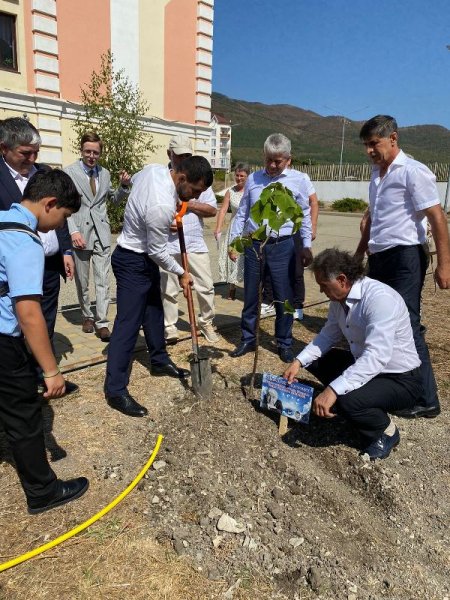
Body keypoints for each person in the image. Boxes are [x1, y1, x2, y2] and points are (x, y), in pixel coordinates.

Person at [0, 169, 89, 513]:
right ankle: (42, 491)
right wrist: (51, 371)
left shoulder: (3, 220)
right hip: (5, 344)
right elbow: (29, 314)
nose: (59, 225)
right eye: (63, 217)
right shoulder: (25, 242)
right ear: (50, 203)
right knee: (23, 416)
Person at [283, 249, 423, 460]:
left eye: (323, 286)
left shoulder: (379, 300)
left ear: (342, 279)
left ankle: (385, 431)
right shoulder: (339, 301)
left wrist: (333, 390)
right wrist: (298, 361)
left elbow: (376, 357)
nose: (322, 291)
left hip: (400, 379)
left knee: (346, 400)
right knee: (316, 361)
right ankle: (352, 405)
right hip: (368, 367)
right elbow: (327, 336)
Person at [104, 156, 213, 417]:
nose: (195, 197)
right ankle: (115, 389)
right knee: (127, 325)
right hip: (133, 259)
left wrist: (168, 222)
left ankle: (159, 360)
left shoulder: (154, 170)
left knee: (154, 312)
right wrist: (182, 273)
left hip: (142, 255)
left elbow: (147, 211)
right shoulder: (161, 205)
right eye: (195, 191)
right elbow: (157, 251)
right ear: (182, 177)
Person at [356, 115, 450, 418]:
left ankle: (426, 398)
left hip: (405, 257)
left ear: (393, 139)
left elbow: (437, 218)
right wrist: (360, 255)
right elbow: (372, 221)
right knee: (379, 319)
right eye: (366, 146)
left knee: (407, 324)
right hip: (380, 256)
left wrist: (445, 265)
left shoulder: (412, 171)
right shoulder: (376, 174)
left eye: (374, 144)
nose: (370, 151)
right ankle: (393, 383)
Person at [0, 117, 78, 394]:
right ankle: (20, 377)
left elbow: (62, 216)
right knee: (20, 319)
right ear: (4, 149)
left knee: (45, 318)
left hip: (47, 262)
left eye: (36, 152)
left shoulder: (43, 174)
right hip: (14, 268)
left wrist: (66, 250)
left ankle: (39, 373)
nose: (32, 159)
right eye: (25, 153)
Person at [229, 133, 315, 363]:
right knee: (250, 294)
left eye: (278, 160)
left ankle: (284, 342)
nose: (273, 165)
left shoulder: (299, 180)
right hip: (254, 245)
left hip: (283, 246)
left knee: (283, 296)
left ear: (289, 159)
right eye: (269, 159)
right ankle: (248, 338)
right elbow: (243, 213)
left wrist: (306, 245)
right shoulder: (254, 179)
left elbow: (304, 215)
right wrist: (235, 242)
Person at [65, 132, 131, 341]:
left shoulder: (105, 173)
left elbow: (112, 200)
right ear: (81, 150)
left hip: (101, 234)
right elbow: (64, 204)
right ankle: (87, 315)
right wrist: (73, 230)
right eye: (88, 151)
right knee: (83, 281)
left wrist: (123, 186)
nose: (91, 156)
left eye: (95, 152)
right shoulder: (69, 173)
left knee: (103, 280)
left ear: (100, 153)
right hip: (80, 233)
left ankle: (102, 322)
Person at [160, 135, 219, 344]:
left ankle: (206, 322)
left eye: (187, 155)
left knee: (206, 285)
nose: (184, 159)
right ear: (170, 154)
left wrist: (188, 203)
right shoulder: (163, 178)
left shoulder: (199, 177)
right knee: (169, 288)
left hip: (194, 242)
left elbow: (212, 209)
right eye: (180, 155)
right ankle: (169, 326)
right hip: (168, 244)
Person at [262, 193, 319, 320]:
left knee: (297, 269)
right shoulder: (271, 178)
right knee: (269, 267)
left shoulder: (301, 178)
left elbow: (313, 202)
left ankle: (297, 304)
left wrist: (312, 227)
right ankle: (268, 300)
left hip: (295, 229)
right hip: (274, 229)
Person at [214, 163, 250, 300]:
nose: (239, 178)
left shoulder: (251, 190)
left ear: (248, 176)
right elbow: (223, 210)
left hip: (249, 229)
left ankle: (250, 288)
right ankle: (232, 287)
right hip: (234, 228)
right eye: (237, 175)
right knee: (233, 257)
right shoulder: (231, 192)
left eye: (242, 176)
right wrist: (218, 227)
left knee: (247, 259)